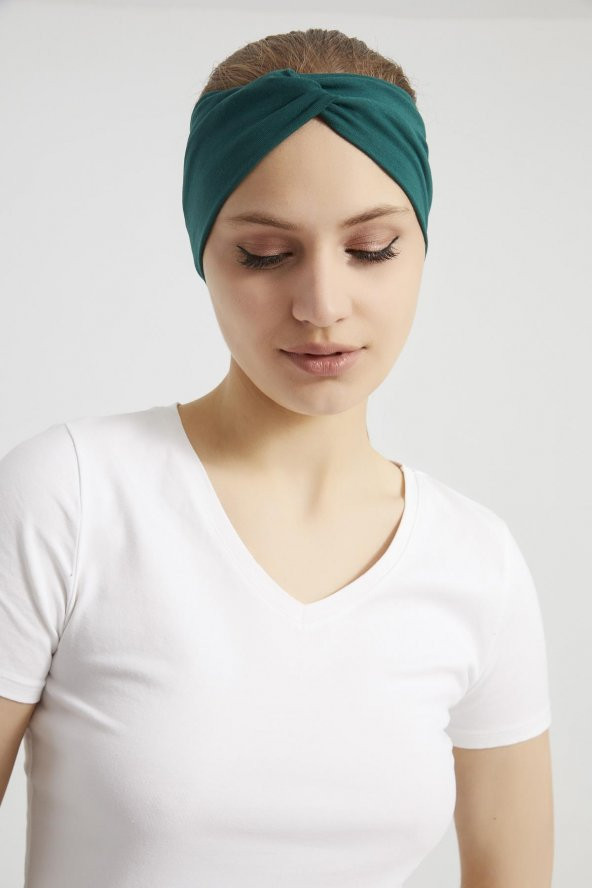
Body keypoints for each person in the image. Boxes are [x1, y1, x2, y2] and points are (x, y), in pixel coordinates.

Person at [0, 27, 553, 888]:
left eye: (372, 249)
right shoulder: (69, 499)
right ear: (205, 254)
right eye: (266, 255)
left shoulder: (479, 564)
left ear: (421, 248)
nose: (322, 305)